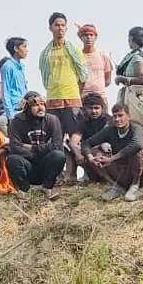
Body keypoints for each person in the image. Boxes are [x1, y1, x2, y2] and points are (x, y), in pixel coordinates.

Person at [39, 12, 88, 179]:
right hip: (53, 99)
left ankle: (74, 173)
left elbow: (83, 74)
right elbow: (45, 77)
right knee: (55, 138)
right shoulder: (45, 53)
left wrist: (76, 93)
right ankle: (59, 174)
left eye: (62, 25)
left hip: (72, 98)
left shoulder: (73, 49)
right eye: (56, 25)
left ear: (66, 28)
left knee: (74, 136)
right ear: (50, 28)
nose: (60, 28)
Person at [84, 103, 143, 201]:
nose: (117, 119)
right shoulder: (110, 130)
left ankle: (135, 187)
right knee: (95, 153)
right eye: (114, 116)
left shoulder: (137, 128)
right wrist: (91, 158)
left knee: (136, 152)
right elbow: (86, 144)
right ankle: (116, 186)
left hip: (141, 174)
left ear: (128, 116)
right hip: (121, 172)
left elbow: (136, 145)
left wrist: (111, 158)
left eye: (120, 115)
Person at [6, 92, 68, 197]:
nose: (40, 108)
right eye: (35, 105)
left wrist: (33, 148)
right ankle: (24, 189)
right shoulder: (16, 122)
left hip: (45, 165)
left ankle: (47, 187)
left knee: (59, 155)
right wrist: (42, 151)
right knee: (13, 159)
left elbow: (57, 146)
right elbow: (15, 148)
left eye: (42, 104)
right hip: (27, 165)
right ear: (27, 108)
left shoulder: (52, 120)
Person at [114, 27, 143, 162]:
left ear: (132, 38)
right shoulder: (138, 54)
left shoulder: (138, 56)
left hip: (138, 98)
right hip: (132, 96)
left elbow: (141, 78)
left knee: (141, 130)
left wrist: (123, 79)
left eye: (128, 38)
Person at [78, 24, 115, 105]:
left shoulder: (103, 55)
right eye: (85, 35)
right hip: (82, 98)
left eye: (91, 35)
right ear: (81, 38)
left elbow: (108, 80)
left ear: (95, 37)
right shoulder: (77, 57)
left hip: (100, 97)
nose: (88, 37)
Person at [0, 37, 30, 123]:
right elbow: (5, 91)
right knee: (1, 122)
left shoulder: (21, 67)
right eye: (24, 47)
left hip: (24, 106)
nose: (27, 50)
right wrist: (10, 115)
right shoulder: (8, 66)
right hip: (14, 109)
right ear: (16, 49)